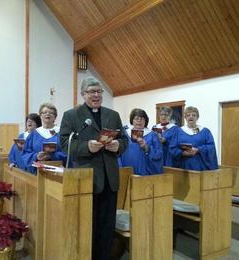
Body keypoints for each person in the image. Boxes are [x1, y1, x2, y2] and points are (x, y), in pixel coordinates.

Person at [60, 76, 128, 260]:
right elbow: (65, 144)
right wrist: (86, 147)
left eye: (99, 91)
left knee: (107, 226)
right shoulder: (71, 115)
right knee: (87, 224)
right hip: (86, 179)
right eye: (91, 92)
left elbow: (124, 140)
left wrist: (118, 146)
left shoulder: (112, 115)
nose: (96, 95)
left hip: (110, 180)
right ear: (83, 94)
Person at [22, 103, 67, 174]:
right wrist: (36, 156)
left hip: (59, 171)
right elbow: (26, 153)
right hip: (39, 172)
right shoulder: (34, 134)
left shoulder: (62, 133)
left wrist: (53, 156)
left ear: (55, 117)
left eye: (51, 112)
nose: (48, 114)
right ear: (40, 116)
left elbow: (68, 152)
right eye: (45, 112)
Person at [170, 106, 218, 170]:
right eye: (188, 115)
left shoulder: (205, 131)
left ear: (197, 117)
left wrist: (198, 150)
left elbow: (211, 147)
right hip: (183, 166)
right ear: (185, 117)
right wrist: (183, 153)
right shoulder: (178, 131)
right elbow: (172, 148)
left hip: (201, 166)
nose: (191, 116)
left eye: (194, 115)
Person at [119, 108, 163, 175]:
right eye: (136, 118)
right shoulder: (124, 134)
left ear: (145, 121)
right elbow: (118, 152)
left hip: (145, 172)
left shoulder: (152, 135)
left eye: (142, 119)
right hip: (126, 170)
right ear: (132, 120)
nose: (139, 121)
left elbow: (159, 154)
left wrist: (147, 148)